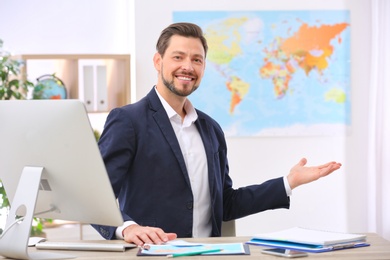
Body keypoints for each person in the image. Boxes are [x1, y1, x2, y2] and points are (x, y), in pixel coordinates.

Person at [92, 22, 341, 246]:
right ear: (158, 61)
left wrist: (289, 182)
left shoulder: (211, 129)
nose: (187, 67)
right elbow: (97, 197)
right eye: (178, 57)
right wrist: (127, 227)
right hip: (151, 254)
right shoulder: (128, 120)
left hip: (210, 253)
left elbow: (226, 203)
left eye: (197, 60)